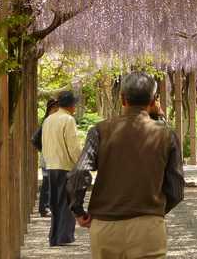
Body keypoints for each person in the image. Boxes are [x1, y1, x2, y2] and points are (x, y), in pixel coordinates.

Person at [67, 72, 185, 259]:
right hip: (148, 228)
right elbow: (177, 189)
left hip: (106, 227)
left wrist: (78, 210)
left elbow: (79, 172)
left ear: (123, 99)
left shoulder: (100, 130)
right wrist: (154, 212)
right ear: (153, 100)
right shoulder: (167, 135)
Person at [42, 90, 82, 246]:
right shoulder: (68, 120)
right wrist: (80, 163)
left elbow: (44, 143)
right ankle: (64, 236)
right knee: (66, 202)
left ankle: (55, 236)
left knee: (55, 203)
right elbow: (73, 146)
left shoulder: (49, 120)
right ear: (71, 105)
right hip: (65, 165)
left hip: (51, 165)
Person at [31, 98, 59, 217]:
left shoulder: (54, 121)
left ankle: (48, 207)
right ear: (50, 109)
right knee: (47, 183)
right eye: (54, 108)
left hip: (54, 157)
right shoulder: (46, 122)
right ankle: (44, 208)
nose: (56, 110)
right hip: (48, 158)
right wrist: (44, 149)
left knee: (51, 183)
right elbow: (34, 140)